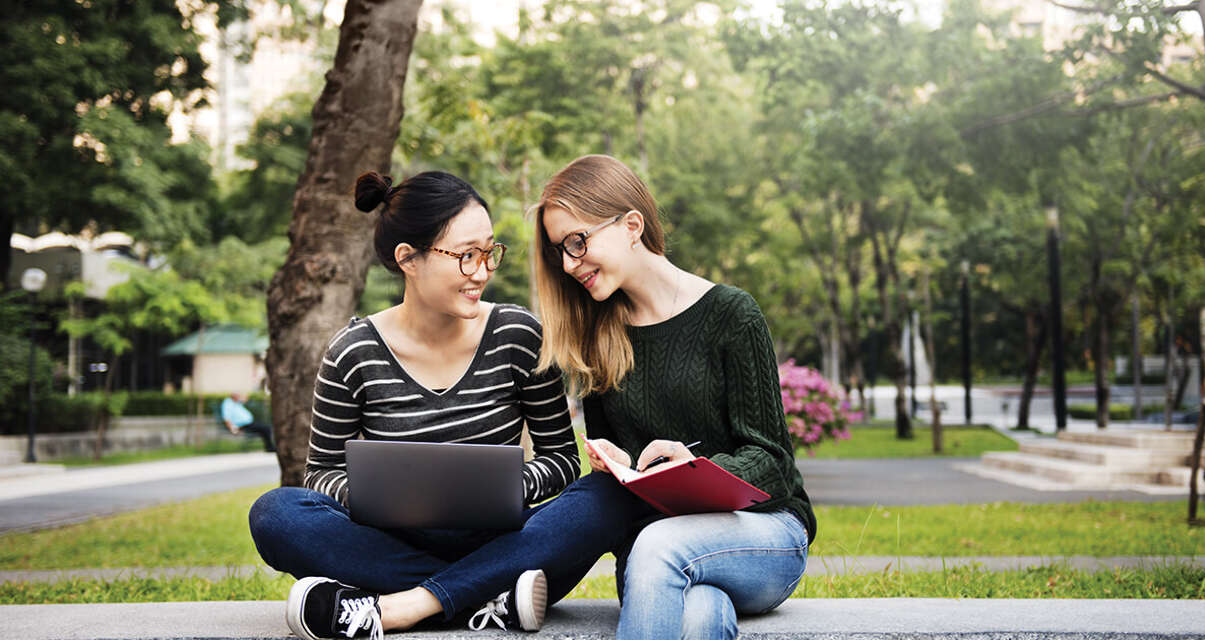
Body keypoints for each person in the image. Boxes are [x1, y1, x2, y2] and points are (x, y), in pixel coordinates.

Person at [248, 170, 651, 640]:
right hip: (400, 545)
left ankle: (403, 607)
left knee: (607, 497)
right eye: (465, 257)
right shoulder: (352, 352)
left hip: (506, 538)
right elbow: (320, 474)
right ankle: (489, 599)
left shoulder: (517, 336)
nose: (481, 271)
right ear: (408, 260)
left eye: (488, 253)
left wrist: (501, 487)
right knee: (276, 514)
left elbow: (562, 460)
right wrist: (393, 498)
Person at [532, 154, 816, 640]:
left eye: (577, 242)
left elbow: (771, 460)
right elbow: (618, 476)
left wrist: (692, 470)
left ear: (632, 225)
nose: (568, 263)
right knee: (701, 613)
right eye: (561, 249)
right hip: (655, 554)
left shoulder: (732, 314)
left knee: (660, 546)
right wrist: (614, 464)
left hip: (763, 536)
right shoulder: (600, 337)